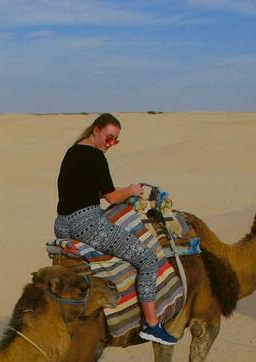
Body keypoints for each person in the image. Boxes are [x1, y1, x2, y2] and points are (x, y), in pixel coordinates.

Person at [53, 113, 179, 345]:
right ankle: (152, 325)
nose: (110, 144)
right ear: (96, 130)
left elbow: (95, 189)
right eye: (109, 138)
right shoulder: (96, 157)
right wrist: (131, 191)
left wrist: (126, 190)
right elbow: (111, 197)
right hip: (87, 225)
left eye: (115, 141)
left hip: (62, 224)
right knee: (148, 259)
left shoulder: (74, 151)